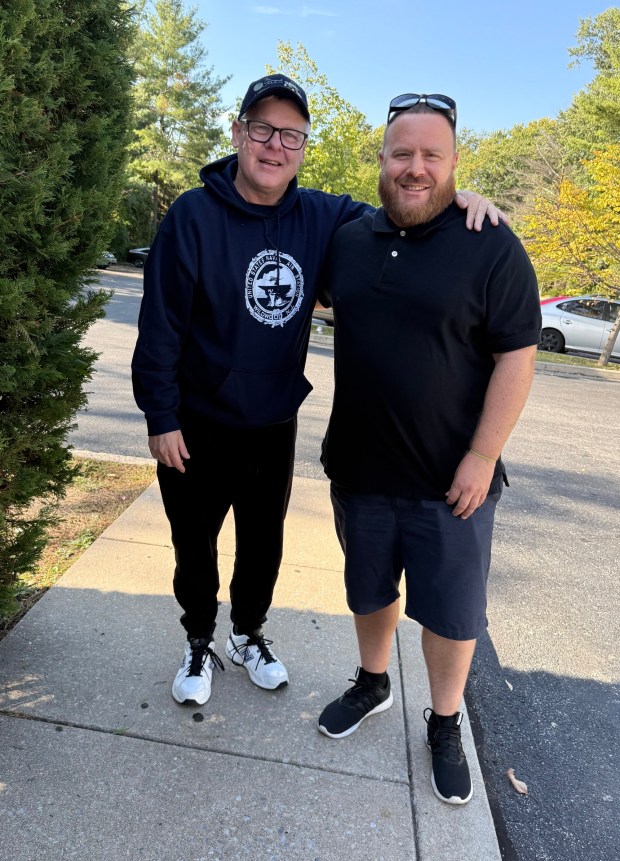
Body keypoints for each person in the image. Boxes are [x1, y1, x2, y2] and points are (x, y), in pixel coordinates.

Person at [131, 76, 504, 710]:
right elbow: (160, 325)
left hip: (273, 421)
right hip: (194, 424)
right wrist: (160, 416)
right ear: (238, 133)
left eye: (292, 136)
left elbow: (404, 206)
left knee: (263, 542)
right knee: (193, 544)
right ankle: (199, 639)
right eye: (263, 130)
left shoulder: (323, 216)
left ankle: (249, 634)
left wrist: (453, 194)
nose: (276, 146)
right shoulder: (191, 216)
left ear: (304, 147)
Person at [317, 93, 541, 807]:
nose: (415, 168)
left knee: (451, 613)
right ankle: (373, 681)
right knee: (369, 590)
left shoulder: (491, 243)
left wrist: (482, 455)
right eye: (401, 153)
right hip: (358, 469)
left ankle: (444, 723)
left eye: (431, 155)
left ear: (453, 164)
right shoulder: (347, 238)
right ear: (381, 160)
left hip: (453, 483)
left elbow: (517, 355)